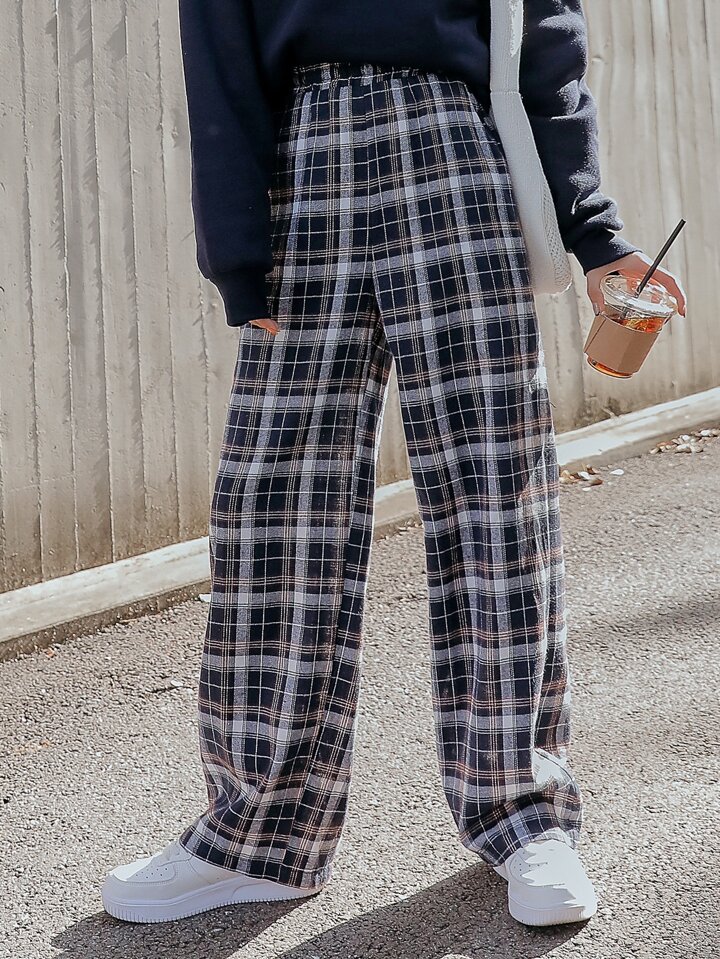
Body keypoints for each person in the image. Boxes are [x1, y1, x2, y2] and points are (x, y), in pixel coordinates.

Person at [101, 0, 687, 928]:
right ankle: (261, 834)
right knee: (275, 511)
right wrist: (237, 253)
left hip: (455, 145)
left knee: (497, 492)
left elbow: (546, 35)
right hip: (301, 158)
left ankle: (524, 813)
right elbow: (217, 50)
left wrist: (596, 233)